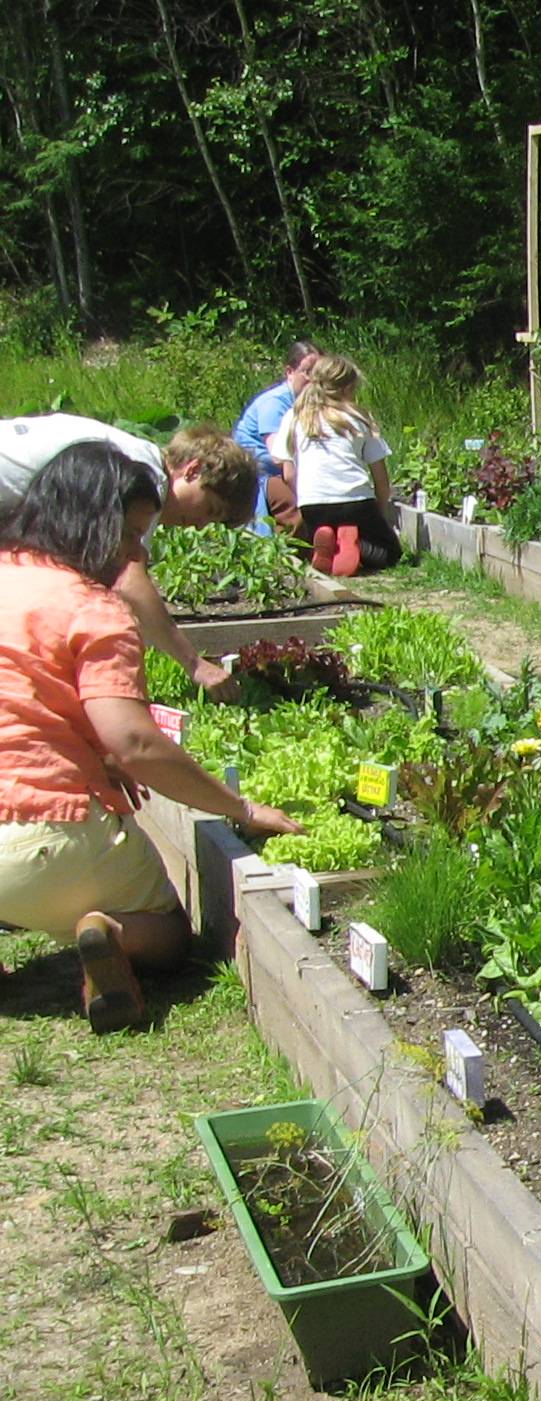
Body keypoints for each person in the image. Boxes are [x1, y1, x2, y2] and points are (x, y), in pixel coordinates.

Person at [0, 443, 300, 1027]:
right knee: (169, 934)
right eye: (131, 535)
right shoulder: (92, 609)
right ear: (88, 524)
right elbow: (133, 743)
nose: (139, 552)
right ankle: (107, 931)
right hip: (42, 836)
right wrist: (238, 806)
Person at [0, 414, 255, 697]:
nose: (199, 525)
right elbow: (126, 578)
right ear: (193, 471)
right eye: (210, 509)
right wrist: (195, 664)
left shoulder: (133, 454)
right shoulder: (144, 476)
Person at [269, 353, 398, 577]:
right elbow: (381, 480)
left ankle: (333, 541)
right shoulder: (359, 417)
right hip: (356, 502)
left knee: (317, 536)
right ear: (348, 389)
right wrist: (379, 511)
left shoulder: (294, 417)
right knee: (390, 552)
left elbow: (289, 474)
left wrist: (304, 499)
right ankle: (354, 545)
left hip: (313, 504)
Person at [232, 338, 317, 531]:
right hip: (256, 473)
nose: (313, 380)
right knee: (296, 513)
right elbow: (278, 457)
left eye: (319, 374)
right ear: (289, 372)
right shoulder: (275, 403)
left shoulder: (308, 403)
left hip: (283, 471)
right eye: (307, 372)